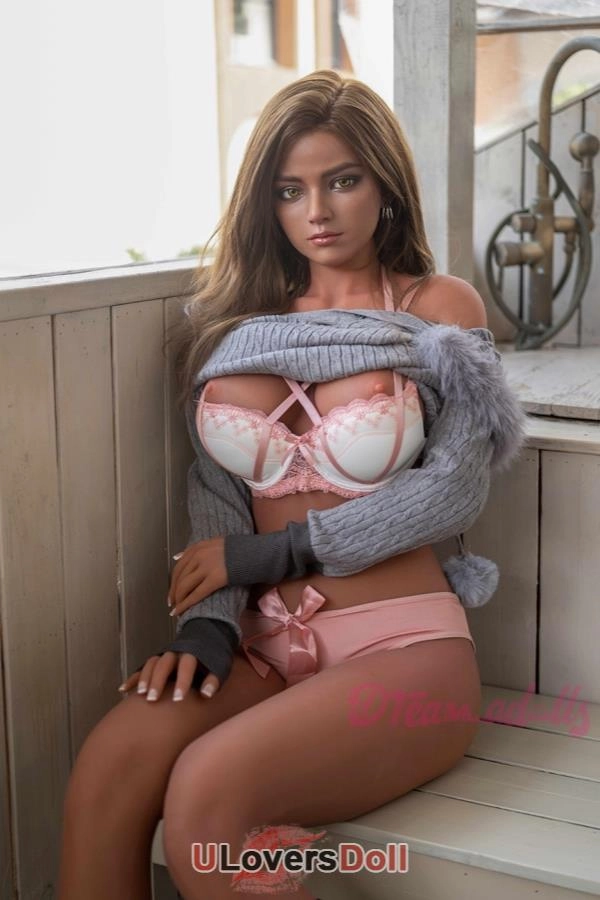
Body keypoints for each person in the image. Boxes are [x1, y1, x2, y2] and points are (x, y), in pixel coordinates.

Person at [57, 69, 526, 899]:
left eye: (342, 180)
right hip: (262, 644)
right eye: (289, 189)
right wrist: (208, 628)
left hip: (404, 651)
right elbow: (217, 492)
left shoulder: (438, 308)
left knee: (207, 797)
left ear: (384, 185)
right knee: (109, 767)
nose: (317, 210)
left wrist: (277, 554)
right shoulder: (235, 324)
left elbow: (455, 490)